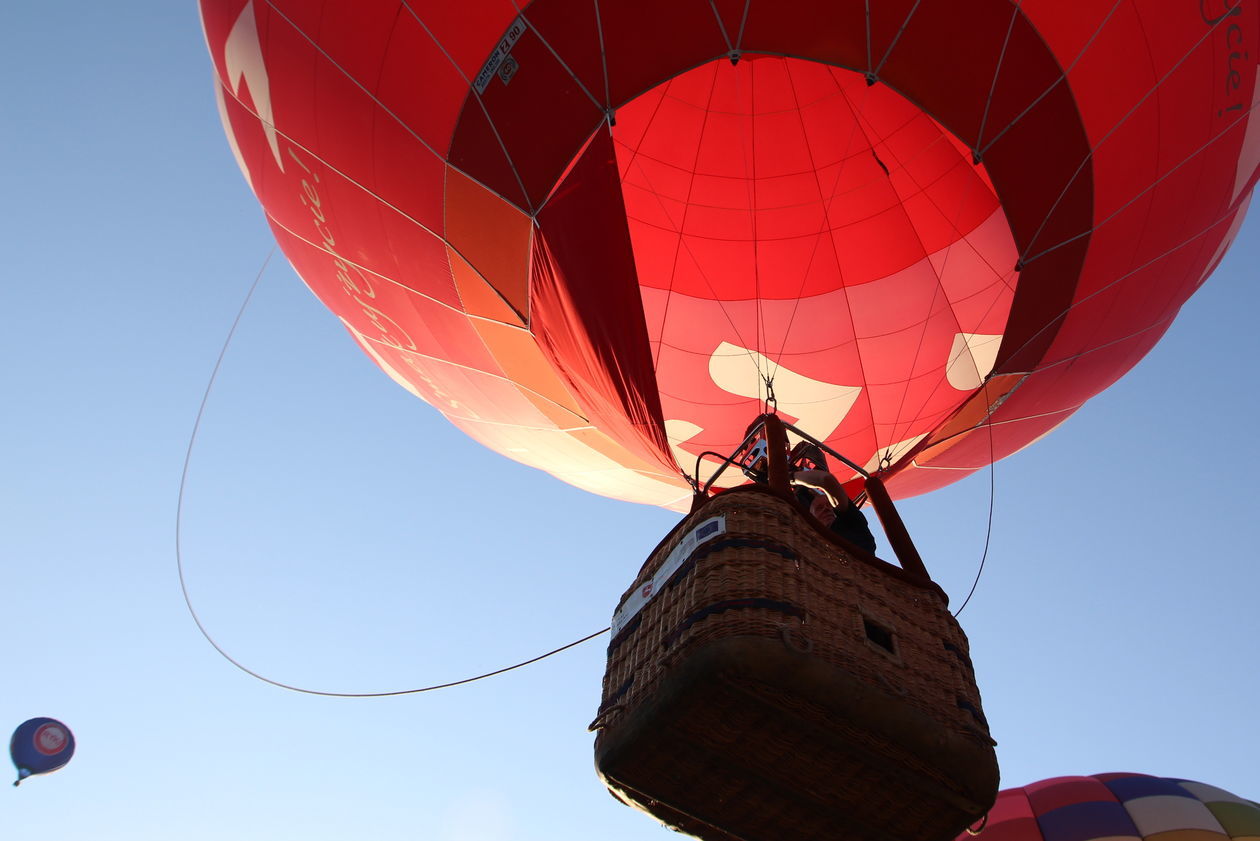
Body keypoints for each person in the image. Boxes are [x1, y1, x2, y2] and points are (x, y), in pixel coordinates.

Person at [790, 468, 877, 555]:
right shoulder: (810, 542)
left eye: (829, 505)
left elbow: (825, 479)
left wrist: (791, 477)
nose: (826, 509)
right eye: (819, 508)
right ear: (812, 517)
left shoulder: (851, 523)